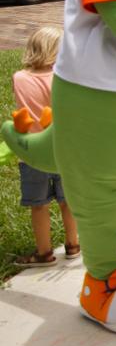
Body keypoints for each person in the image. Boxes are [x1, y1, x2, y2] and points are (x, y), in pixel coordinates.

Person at [12, 27, 80, 267]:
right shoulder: (63, 78)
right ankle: (73, 245)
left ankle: (44, 253)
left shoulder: (19, 78)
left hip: (32, 153)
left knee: (38, 205)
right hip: (64, 150)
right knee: (68, 200)